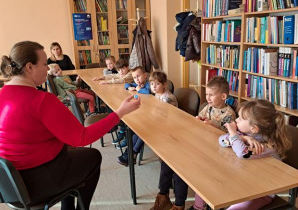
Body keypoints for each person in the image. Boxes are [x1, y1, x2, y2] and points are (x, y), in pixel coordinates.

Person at [0, 41, 141, 210]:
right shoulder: (42, 100)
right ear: (29, 67)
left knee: (72, 152)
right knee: (93, 157)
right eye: (44, 64)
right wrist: (119, 113)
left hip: (7, 184)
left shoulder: (0, 95)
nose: (48, 68)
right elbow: (83, 137)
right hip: (34, 184)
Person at [151, 76, 236, 210]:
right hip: (199, 143)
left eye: (211, 95)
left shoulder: (229, 114)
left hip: (214, 151)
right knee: (168, 161)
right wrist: (198, 119)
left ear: (223, 96)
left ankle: (179, 205)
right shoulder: (208, 108)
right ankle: (163, 196)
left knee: (181, 167)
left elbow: (230, 137)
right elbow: (198, 122)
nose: (207, 97)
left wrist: (214, 126)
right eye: (206, 94)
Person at [191, 99, 292, 210]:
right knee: (204, 179)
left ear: (254, 128)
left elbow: (242, 153)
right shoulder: (246, 134)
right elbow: (222, 140)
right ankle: (198, 207)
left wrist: (233, 133)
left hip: (261, 192)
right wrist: (243, 137)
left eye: (240, 118)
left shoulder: (265, 145)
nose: (236, 120)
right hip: (244, 180)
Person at [117, 71, 177, 166]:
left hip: (168, 125)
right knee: (139, 127)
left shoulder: (168, 98)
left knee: (146, 129)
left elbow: (165, 117)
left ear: (164, 85)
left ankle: (133, 153)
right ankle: (129, 153)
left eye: (157, 84)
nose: (153, 86)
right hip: (158, 121)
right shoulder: (157, 94)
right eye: (152, 84)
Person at [115, 66, 151, 149]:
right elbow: (127, 84)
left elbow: (148, 91)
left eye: (138, 76)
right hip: (141, 108)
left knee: (134, 122)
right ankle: (127, 138)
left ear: (145, 75)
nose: (136, 79)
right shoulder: (138, 84)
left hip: (148, 111)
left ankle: (129, 140)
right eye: (134, 77)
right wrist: (129, 87)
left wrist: (138, 89)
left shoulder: (148, 84)